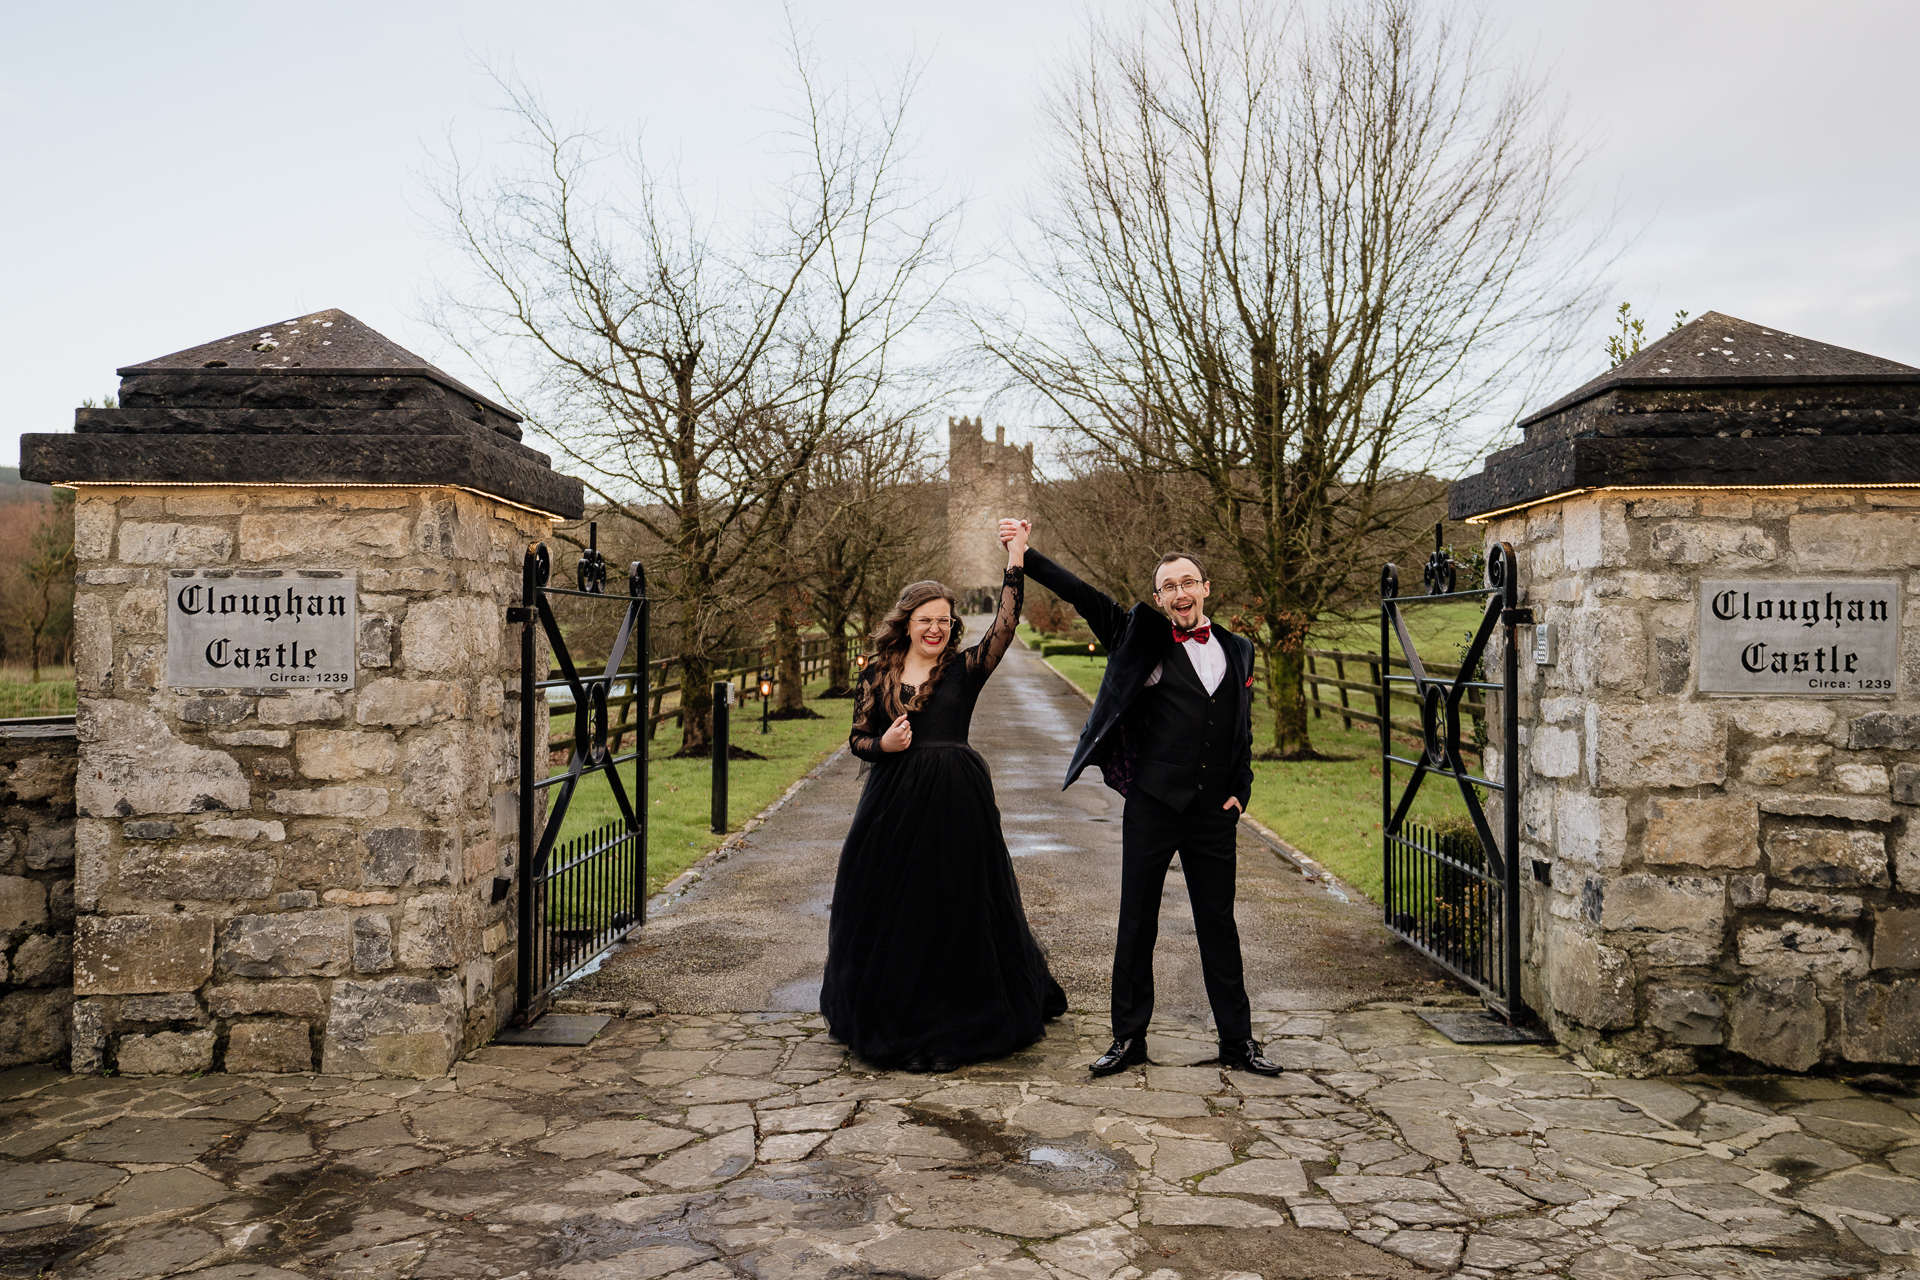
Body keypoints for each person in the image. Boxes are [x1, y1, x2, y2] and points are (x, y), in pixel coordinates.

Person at [1005, 519, 1281, 1078]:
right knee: (1138, 924)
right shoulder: (1142, 635)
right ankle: (1128, 1039)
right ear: (1159, 598)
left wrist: (1240, 792)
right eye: (1169, 587)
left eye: (1189, 582)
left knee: (1219, 927)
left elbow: (1240, 732)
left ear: (1206, 588)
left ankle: (1238, 1042)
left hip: (1213, 815)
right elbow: (1083, 597)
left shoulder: (1239, 649)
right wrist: (1024, 555)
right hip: (1153, 807)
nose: (1180, 594)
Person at [820, 523, 1066, 1072]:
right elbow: (857, 740)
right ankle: (895, 1008)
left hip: (957, 800)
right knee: (891, 905)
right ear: (907, 622)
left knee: (955, 902)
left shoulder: (965, 669)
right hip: (892, 807)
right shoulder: (877, 674)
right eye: (925, 619)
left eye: (943, 620)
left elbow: (1005, 623)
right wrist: (883, 743)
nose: (935, 628)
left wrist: (1016, 559)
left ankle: (959, 1009)